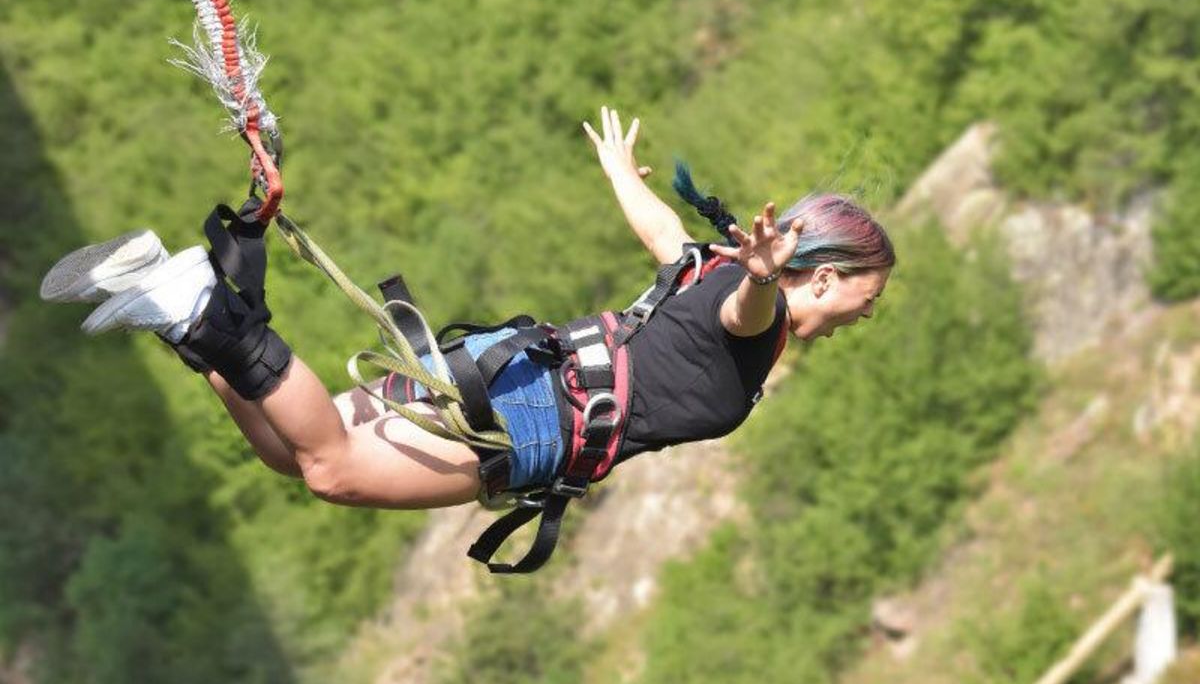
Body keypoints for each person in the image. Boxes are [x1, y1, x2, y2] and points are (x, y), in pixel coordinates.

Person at [40, 106, 894, 523]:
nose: (867, 316)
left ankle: (184, 313)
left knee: (286, 453)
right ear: (824, 278)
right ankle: (201, 306)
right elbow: (746, 315)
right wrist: (762, 281)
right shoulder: (755, 310)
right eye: (869, 296)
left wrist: (620, 174)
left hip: (518, 370)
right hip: (533, 419)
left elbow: (667, 236)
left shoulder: (706, 269)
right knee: (331, 468)